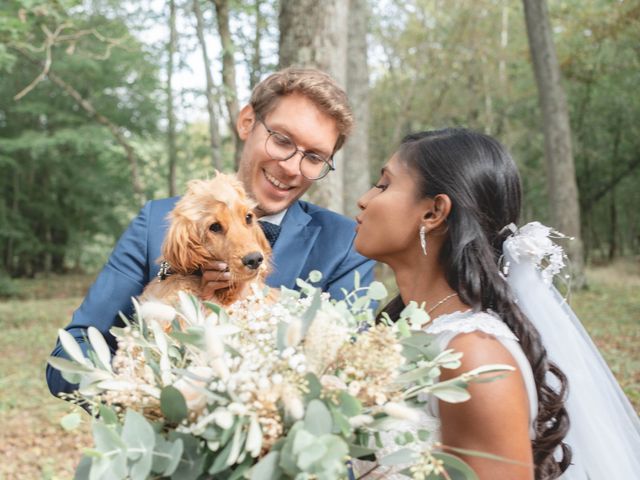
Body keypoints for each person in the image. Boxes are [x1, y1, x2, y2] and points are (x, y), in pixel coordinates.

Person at [47, 67, 375, 397]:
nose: (291, 167)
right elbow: (68, 358)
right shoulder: (158, 221)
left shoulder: (344, 245)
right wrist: (150, 394)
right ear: (247, 122)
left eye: (315, 157)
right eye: (282, 140)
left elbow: (349, 377)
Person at [353, 128, 640, 479]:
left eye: (383, 185)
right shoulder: (402, 330)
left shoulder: (476, 358)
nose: (364, 200)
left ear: (433, 213)